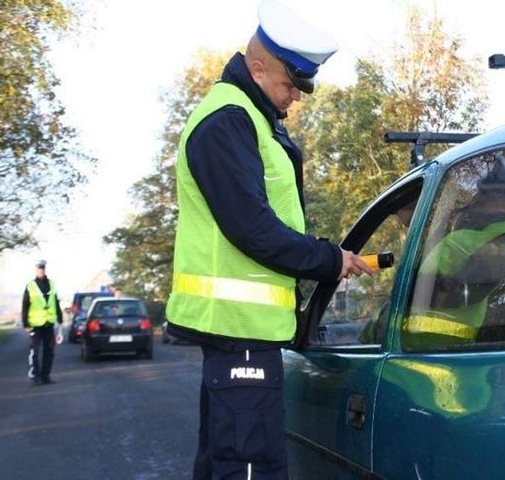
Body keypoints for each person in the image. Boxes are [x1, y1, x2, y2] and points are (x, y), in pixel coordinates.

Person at [164, 1, 373, 478]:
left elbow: (269, 221)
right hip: (238, 331)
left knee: (226, 464)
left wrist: (329, 254)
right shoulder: (228, 120)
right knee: (250, 468)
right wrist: (325, 260)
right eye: (289, 83)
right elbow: (253, 230)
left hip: (244, 335)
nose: (296, 97)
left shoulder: (248, 120)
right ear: (257, 68)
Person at [404, 156, 505, 347]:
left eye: (489, 194)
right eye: (482, 191)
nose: (479, 196)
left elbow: (460, 292)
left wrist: (407, 292)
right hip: (411, 344)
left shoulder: (502, 241)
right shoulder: (462, 224)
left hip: (443, 349)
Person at [22, 259, 63, 385]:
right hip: (35, 324)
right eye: (39, 268)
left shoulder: (52, 284)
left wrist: (60, 318)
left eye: (43, 268)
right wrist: (25, 323)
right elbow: (25, 304)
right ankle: (35, 376)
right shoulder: (30, 285)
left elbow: (55, 302)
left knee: (49, 351)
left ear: (45, 270)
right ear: (36, 270)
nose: (41, 270)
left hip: (48, 323)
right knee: (34, 351)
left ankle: (46, 376)